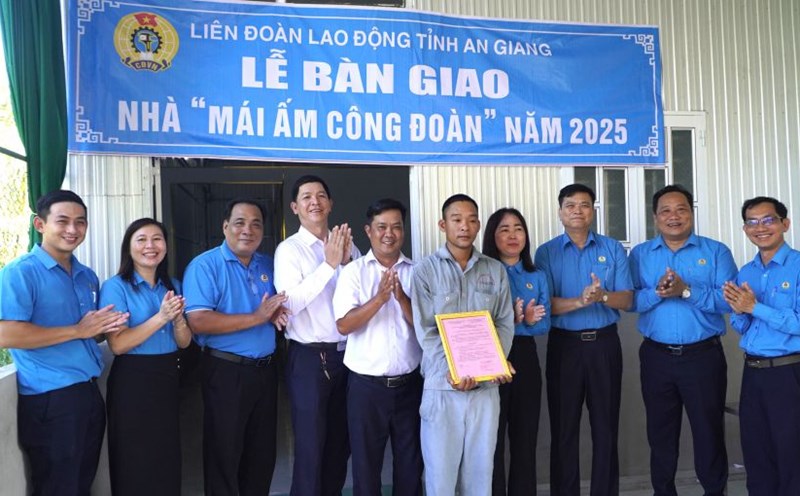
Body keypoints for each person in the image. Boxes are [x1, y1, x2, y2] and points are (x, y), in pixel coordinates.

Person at [0, 189, 128, 496]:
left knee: (81, 482)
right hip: (50, 399)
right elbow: (6, 334)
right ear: (40, 224)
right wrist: (77, 330)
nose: (72, 229)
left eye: (80, 222)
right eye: (63, 221)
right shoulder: (21, 272)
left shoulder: (87, 276)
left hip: (88, 391)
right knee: (58, 487)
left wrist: (106, 327)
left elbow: (89, 333)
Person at [629, 185, 736, 496]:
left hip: (703, 357)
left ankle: (715, 491)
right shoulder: (640, 255)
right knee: (660, 434)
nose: (673, 216)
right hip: (656, 357)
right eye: (665, 210)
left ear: (691, 213)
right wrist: (658, 292)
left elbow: (728, 301)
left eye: (681, 209)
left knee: (708, 432)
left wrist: (686, 291)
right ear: (655, 217)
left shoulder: (716, 251)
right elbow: (631, 300)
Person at [183, 199, 288, 495]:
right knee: (224, 454)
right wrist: (257, 316)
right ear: (225, 226)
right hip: (226, 371)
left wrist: (275, 313)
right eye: (240, 222)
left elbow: (277, 306)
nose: (248, 230)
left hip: (265, 372)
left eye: (256, 224)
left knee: (261, 454)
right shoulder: (205, 266)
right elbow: (199, 321)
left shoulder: (267, 264)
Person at [412, 193, 514, 496]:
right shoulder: (425, 271)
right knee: (440, 479)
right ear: (443, 224)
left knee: (480, 477)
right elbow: (426, 330)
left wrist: (495, 363)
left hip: (486, 389)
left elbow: (504, 322)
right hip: (442, 388)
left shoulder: (494, 270)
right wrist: (452, 371)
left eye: (471, 220)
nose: (464, 227)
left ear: (479, 225)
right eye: (457, 220)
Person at [534, 183, 632, 496]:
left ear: (593, 210)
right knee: (564, 430)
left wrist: (602, 295)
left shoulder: (612, 248)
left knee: (605, 428)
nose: (578, 210)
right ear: (560, 211)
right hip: (564, 347)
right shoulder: (546, 252)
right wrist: (581, 300)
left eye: (585, 204)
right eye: (571, 205)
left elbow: (627, 299)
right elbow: (546, 304)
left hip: (604, 345)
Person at [274, 175, 361, 496]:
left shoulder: (346, 244)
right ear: (295, 207)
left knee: (341, 445)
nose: (315, 202)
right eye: (307, 197)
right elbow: (291, 303)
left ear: (330, 204)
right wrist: (329, 266)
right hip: (309, 359)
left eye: (321, 195)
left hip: (347, 356)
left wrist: (349, 260)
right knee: (311, 448)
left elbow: (362, 296)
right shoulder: (289, 250)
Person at [333, 198, 423, 496]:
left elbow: (427, 327)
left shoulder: (417, 272)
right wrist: (380, 299)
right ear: (368, 231)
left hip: (410, 385)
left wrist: (401, 299)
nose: (389, 233)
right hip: (366, 389)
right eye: (382, 227)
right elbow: (344, 325)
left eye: (396, 227)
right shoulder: (353, 272)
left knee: (410, 465)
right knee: (366, 467)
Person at [99, 218, 192, 495]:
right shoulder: (116, 287)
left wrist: (177, 322)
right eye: (141, 239)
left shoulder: (172, 284)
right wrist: (161, 316)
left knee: (165, 456)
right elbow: (118, 345)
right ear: (129, 247)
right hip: (133, 381)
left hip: (167, 377)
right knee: (134, 459)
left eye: (157, 239)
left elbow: (185, 342)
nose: (150, 246)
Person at [722, 197, 800, 496]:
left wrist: (754, 307)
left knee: (791, 455)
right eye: (752, 222)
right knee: (757, 453)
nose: (760, 228)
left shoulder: (797, 266)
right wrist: (739, 311)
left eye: (768, 220)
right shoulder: (746, 272)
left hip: (789, 372)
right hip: (753, 372)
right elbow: (741, 326)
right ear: (745, 229)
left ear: (785, 224)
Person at [483, 208, 550, 496]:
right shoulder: (481, 272)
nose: (512, 235)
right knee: (491, 440)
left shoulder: (537, 276)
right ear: (492, 236)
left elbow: (545, 323)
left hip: (524, 355)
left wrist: (530, 322)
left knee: (525, 439)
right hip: (489, 355)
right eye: (504, 229)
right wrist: (508, 320)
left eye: (518, 228)